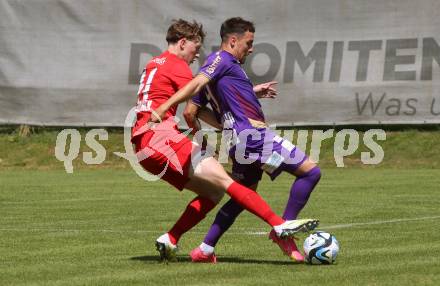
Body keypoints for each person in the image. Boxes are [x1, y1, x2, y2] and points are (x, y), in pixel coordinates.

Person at [133, 19, 319, 262]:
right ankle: (280, 227)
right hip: (240, 136)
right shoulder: (203, 62)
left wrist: (249, 95)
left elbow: (197, 106)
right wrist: (165, 107)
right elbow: (196, 88)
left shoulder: (153, 64)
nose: (196, 54)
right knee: (309, 172)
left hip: (142, 142)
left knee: (225, 192)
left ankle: (199, 247)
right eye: (248, 43)